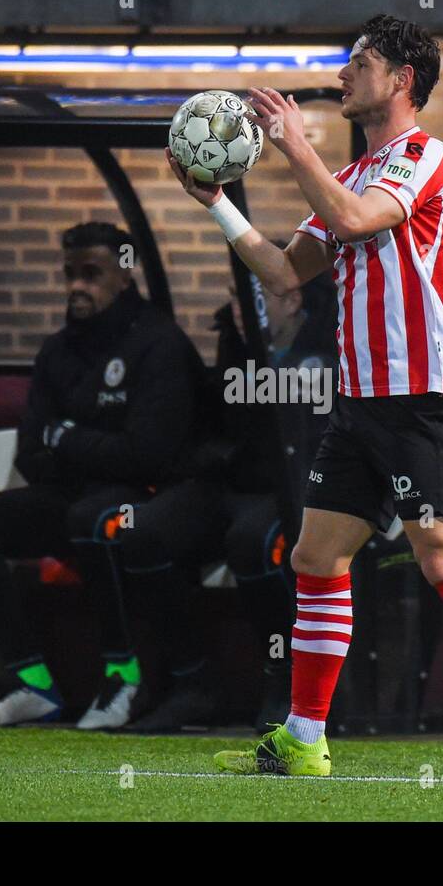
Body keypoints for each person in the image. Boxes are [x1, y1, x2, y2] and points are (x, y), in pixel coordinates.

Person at [167, 14, 443, 780]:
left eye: (359, 64)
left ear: (401, 80)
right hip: (360, 401)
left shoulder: (428, 159)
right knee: (316, 554)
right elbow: (282, 272)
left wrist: (295, 145)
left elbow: (357, 221)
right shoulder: (353, 175)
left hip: (418, 395)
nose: (342, 77)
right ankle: (303, 738)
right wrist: (218, 203)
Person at [0, 222, 203, 729]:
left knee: (94, 518)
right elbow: (29, 450)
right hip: (68, 493)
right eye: (69, 274)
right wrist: (85, 447)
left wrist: (66, 438)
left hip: (140, 500)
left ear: (124, 276)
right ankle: (32, 683)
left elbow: (146, 456)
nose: (76, 286)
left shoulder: (158, 343)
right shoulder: (58, 350)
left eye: (91, 273)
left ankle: (122, 677)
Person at [119, 271, 338, 733]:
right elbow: (220, 424)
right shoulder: (235, 344)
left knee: (253, 543)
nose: (238, 309)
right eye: (234, 299)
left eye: (251, 299)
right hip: (235, 479)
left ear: (292, 298)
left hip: (296, 489)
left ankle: (286, 686)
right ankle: (189, 682)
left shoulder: (328, 349)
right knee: (142, 533)